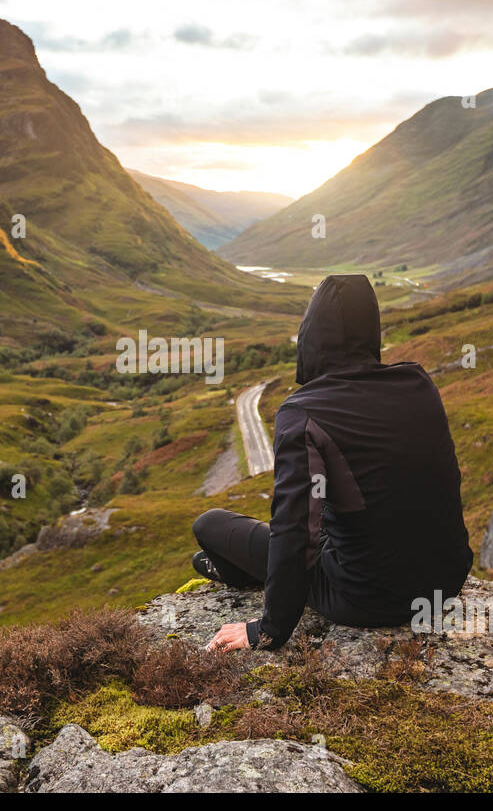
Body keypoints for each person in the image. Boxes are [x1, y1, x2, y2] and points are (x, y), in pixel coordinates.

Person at [195, 273, 472, 652]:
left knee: (209, 525)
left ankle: (230, 570)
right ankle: (239, 568)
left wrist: (267, 630)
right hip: (444, 583)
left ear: (311, 334)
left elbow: (293, 531)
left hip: (367, 596)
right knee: (331, 518)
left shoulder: (302, 411)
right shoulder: (419, 385)